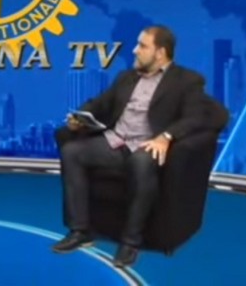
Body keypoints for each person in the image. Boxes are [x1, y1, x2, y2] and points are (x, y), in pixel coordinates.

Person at [52, 25, 207, 267]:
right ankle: (80, 231)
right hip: (116, 141)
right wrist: (80, 116)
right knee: (72, 152)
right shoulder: (126, 77)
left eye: (142, 46)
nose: (135, 50)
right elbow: (100, 103)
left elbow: (195, 117)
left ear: (160, 53)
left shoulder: (186, 81)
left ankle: (130, 242)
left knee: (141, 162)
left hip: (148, 145)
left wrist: (166, 136)